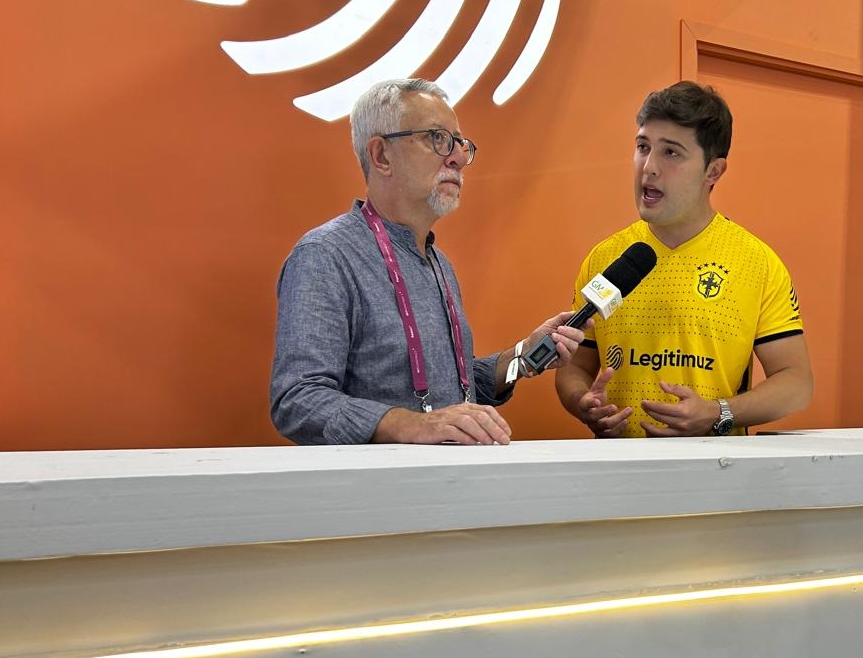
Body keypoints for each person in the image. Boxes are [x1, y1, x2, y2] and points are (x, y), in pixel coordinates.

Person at [271, 78, 583, 445]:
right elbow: (298, 399)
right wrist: (408, 424)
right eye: (437, 138)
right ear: (381, 156)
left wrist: (522, 357)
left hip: (451, 477)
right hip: (377, 481)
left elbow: (453, 393)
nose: (458, 157)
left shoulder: (439, 263)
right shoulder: (326, 255)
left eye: (460, 143)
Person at [555, 81, 813, 437]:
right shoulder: (605, 257)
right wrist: (581, 402)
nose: (649, 167)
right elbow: (574, 366)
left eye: (671, 153)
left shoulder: (756, 262)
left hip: (716, 467)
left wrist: (718, 412)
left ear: (713, 171)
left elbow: (796, 382)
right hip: (617, 464)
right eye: (643, 147)